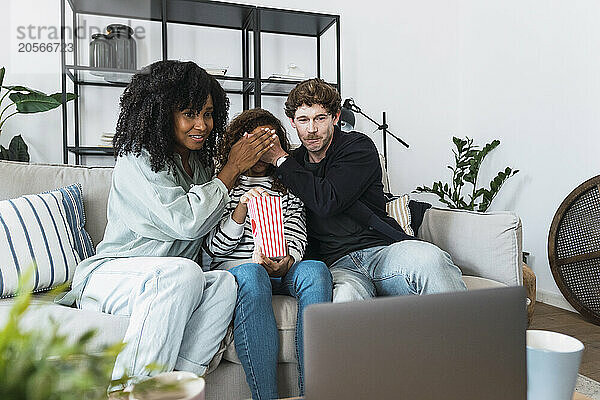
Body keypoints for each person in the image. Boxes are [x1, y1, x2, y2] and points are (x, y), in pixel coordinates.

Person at [57, 60, 275, 384]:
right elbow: (185, 222)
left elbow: (207, 244)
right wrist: (230, 170)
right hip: (111, 277)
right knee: (184, 272)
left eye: (209, 113)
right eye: (190, 113)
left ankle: (177, 386)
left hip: (169, 282)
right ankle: (130, 391)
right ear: (161, 112)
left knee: (222, 284)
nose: (202, 124)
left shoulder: (199, 169)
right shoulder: (138, 158)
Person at [261, 78, 467, 303]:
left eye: (320, 118)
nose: (311, 129)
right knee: (345, 298)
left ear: (336, 117)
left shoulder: (357, 147)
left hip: (381, 251)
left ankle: (462, 337)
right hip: (337, 265)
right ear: (292, 122)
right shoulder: (293, 164)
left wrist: (281, 159)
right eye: (303, 120)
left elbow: (328, 200)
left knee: (430, 259)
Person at [203, 108, 332, 399]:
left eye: (268, 144)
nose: (262, 153)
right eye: (255, 145)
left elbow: (298, 233)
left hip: (281, 268)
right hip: (242, 271)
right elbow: (212, 250)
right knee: (252, 272)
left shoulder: (286, 186)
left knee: (315, 270)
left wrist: (289, 261)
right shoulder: (223, 186)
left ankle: (314, 392)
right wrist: (240, 212)